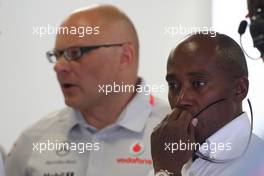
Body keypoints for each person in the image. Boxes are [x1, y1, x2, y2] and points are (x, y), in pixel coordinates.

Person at [5, 4, 169, 176]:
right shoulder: (33, 140)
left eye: (75, 53)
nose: (59, 67)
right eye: (57, 55)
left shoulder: (180, 136)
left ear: (125, 57)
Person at [151, 32, 263, 176]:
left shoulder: (255, 162)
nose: (181, 99)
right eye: (173, 85)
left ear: (240, 89)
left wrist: (165, 170)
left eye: (198, 83)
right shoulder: (176, 152)